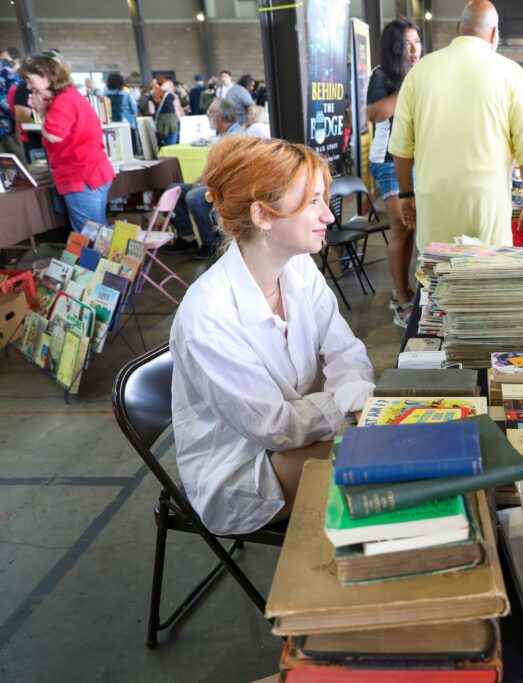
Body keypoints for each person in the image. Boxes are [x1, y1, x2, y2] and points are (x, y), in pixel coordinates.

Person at [169, 136, 375, 536]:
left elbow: (344, 351)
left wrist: (354, 392)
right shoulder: (207, 317)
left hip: (300, 440)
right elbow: (273, 427)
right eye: (312, 201)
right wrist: (348, 407)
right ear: (262, 215)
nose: (328, 216)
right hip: (240, 473)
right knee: (378, 465)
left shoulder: (298, 270)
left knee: (383, 454)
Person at [388, 0, 523, 249]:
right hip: (487, 210)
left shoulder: (419, 73)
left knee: (435, 278)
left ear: (458, 27)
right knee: (486, 280)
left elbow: (401, 149)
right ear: (494, 34)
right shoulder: (512, 74)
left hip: (435, 205)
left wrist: (406, 195)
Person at [367, 17, 423, 327]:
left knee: (413, 229)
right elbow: (375, 113)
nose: (414, 50)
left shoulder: (422, 74)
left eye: (417, 43)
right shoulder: (383, 75)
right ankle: (401, 299)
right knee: (401, 229)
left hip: (417, 161)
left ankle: (407, 290)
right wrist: (409, 87)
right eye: (407, 44)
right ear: (394, 48)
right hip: (388, 161)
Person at [23, 53, 114, 233]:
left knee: (89, 235)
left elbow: (53, 135)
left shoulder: (64, 101)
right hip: (91, 172)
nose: (28, 86)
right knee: (98, 231)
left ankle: (96, 262)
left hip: (81, 176)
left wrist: (41, 112)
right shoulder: (68, 96)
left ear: (47, 78)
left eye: (30, 80)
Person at [166, 98, 246, 259]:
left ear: (221, 116)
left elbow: (232, 171)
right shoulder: (224, 135)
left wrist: (206, 180)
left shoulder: (236, 137)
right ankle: (187, 237)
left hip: (228, 186)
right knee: (174, 189)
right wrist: (201, 179)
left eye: (210, 113)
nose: (207, 116)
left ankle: (210, 244)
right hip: (215, 182)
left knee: (194, 196)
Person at [0, 47, 25, 163]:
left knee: (15, 163)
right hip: (7, 125)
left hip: (9, 126)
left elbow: (16, 98)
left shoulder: (6, 72)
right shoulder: (6, 71)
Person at [105, 72, 138, 154]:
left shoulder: (103, 95)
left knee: (115, 150)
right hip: (126, 124)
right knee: (130, 150)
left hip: (110, 125)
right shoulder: (126, 95)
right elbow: (134, 110)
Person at [150, 77, 183, 147]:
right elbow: (176, 109)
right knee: (172, 141)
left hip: (160, 121)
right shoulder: (170, 95)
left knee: (164, 142)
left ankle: (165, 155)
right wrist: (181, 120)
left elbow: (151, 111)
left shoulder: (152, 95)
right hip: (171, 120)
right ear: (164, 84)